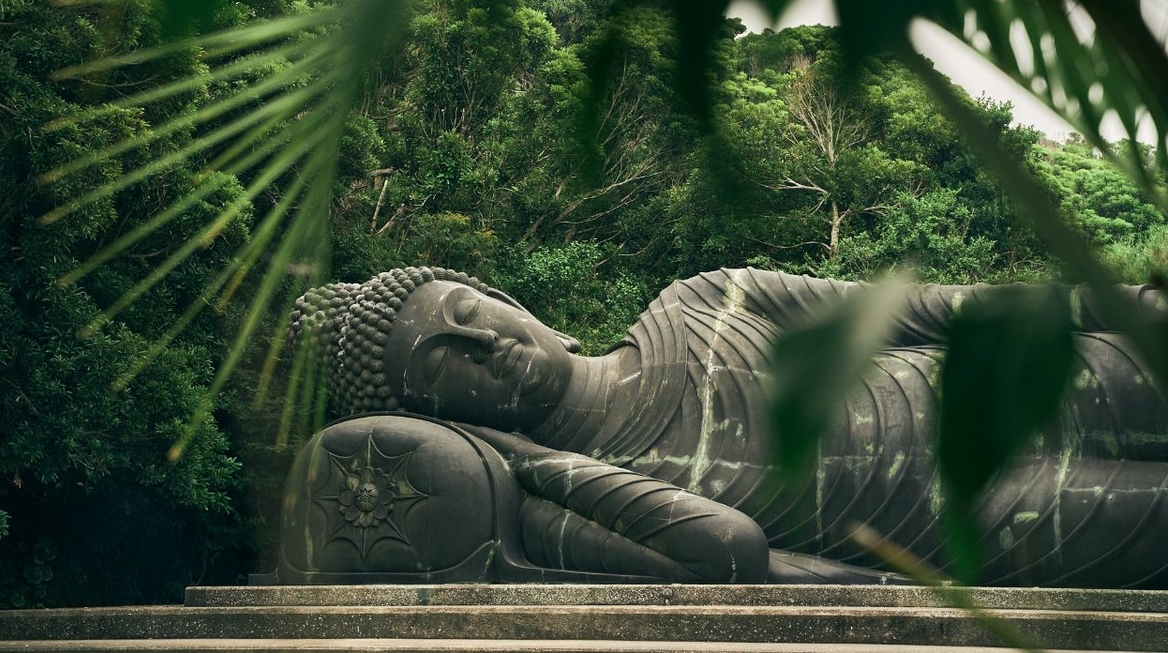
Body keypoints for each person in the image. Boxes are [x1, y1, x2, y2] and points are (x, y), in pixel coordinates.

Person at [279, 265, 1168, 587]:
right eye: (444, 361)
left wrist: (1116, 303)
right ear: (442, 416)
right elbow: (738, 551)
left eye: (472, 309)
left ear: (511, 298)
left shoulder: (703, 301)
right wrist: (517, 461)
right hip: (994, 517)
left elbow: (926, 310)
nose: (481, 342)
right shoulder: (577, 505)